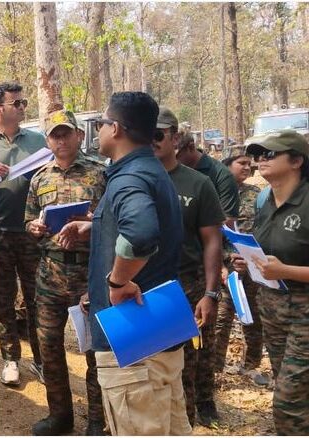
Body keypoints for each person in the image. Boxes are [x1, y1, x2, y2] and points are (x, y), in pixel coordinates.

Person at [59, 92, 189, 435]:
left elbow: (141, 234)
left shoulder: (129, 178)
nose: (99, 131)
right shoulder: (151, 170)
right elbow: (147, 228)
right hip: (159, 327)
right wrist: (98, 228)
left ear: (115, 129)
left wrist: (116, 283)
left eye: (101, 124)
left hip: (134, 338)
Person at [25, 110, 106, 436]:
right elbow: (29, 219)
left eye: (66, 133)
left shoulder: (100, 174)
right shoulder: (39, 177)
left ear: (79, 135)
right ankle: (60, 416)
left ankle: (97, 420)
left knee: (95, 349)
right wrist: (33, 227)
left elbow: (113, 222)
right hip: (51, 273)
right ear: (48, 141)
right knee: (49, 347)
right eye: (54, 135)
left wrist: (91, 223)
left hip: (89, 272)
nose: (60, 140)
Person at [231, 129, 309, 435]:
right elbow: (269, 254)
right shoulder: (265, 202)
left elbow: (282, 265)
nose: (260, 159)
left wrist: (285, 270)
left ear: (297, 161)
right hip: (272, 310)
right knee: (292, 389)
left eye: (270, 154)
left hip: (304, 313)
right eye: (258, 154)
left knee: (288, 400)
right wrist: (249, 261)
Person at [153, 107, 225, 427]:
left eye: (159, 134)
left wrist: (210, 293)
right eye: (146, 134)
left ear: (175, 138)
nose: (152, 140)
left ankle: (188, 423)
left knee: (186, 368)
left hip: (185, 286)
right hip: (142, 289)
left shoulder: (198, 184)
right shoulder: (133, 179)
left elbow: (212, 241)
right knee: (146, 371)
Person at [0, 81, 45, 385]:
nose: (23, 107)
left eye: (24, 102)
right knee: (3, 299)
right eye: (17, 103)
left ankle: (41, 359)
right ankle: (11, 359)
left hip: (31, 231)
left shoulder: (38, 140)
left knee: (37, 297)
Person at [213, 145, 267, 386]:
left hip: (252, 264)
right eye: (241, 163)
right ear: (226, 165)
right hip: (224, 266)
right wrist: (223, 262)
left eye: (249, 163)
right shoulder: (214, 192)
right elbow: (211, 234)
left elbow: (263, 229)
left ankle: (251, 364)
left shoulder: (256, 195)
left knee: (254, 314)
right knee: (222, 316)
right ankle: (215, 368)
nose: (248, 167)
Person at [177, 125, 240, 227]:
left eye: (176, 155)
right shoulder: (169, 170)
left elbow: (227, 221)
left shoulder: (221, 175)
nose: (170, 159)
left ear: (191, 147)